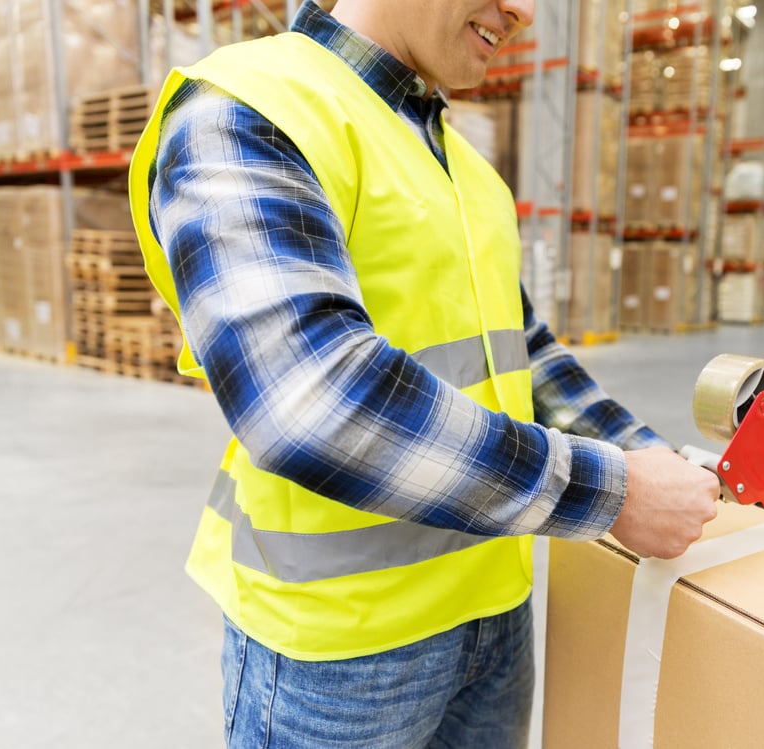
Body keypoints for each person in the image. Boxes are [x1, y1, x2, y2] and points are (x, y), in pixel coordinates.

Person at [128, 0, 720, 746]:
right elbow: (312, 404)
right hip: (342, 652)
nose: (523, 12)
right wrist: (615, 490)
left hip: (493, 610)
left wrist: (644, 452)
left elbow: (522, 349)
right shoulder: (250, 109)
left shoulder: (465, 164)